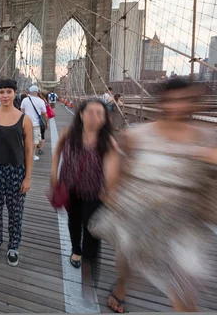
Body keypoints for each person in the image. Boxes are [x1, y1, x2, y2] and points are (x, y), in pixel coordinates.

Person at [90, 77, 217, 313]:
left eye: (185, 100)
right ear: (162, 103)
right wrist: (111, 187)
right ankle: (121, 286)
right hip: (139, 212)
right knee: (127, 258)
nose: (178, 107)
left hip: (184, 221)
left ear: (195, 102)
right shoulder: (137, 134)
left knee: (186, 286)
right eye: (172, 101)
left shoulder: (208, 137)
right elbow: (119, 161)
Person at [50, 99, 119, 270]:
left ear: (105, 118)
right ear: (81, 114)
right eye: (89, 112)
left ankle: (89, 263)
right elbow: (58, 150)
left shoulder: (108, 141)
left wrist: (109, 190)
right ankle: (76, 250)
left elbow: (113, 166)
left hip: (95, 192)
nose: (94, 116)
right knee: (73, 221)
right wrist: (53, 173)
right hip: (70, 188)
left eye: (99, 113)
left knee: (92, 228)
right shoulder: (69, 133)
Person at [0, 78, 33, 266]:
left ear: (15, 93)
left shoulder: (24, 119)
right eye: (1, 92)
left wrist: (28, 177)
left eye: (9, 91)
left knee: (16, 211)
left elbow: (28, 150)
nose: (5, 95)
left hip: (16, 170)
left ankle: (13, 246)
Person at [20, 85, 47, 161]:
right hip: (36, 124)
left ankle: (25, 154)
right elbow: (44, 113)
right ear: (37, 92)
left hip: (25, 123)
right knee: (35, 140)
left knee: (25, 139)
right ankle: (32, 155)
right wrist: (47, 122)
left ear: (30, 92)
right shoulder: (41, 101)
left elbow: (22, 111)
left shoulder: (25, 100)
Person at [36, 91, 49, 156]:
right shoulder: (43, 101)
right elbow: (45, 113)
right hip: (42, 120)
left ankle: (36, 147)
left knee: (34, 135)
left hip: (33, 120)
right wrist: (47, 122)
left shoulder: (31, 100)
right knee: (42, 135)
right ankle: (40, 149)